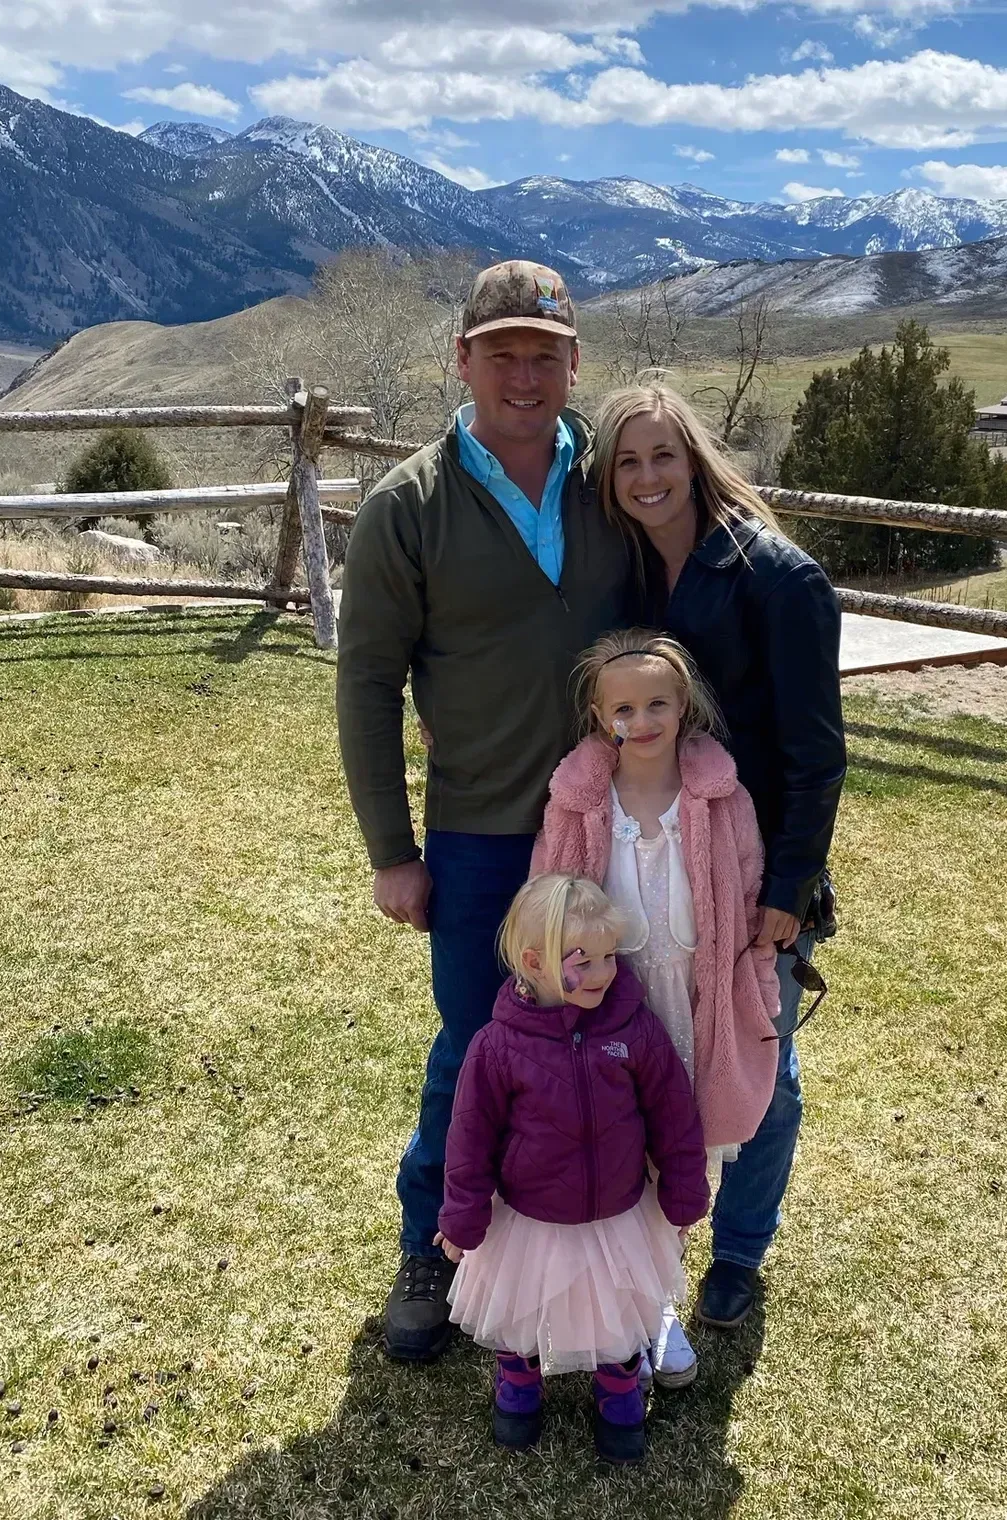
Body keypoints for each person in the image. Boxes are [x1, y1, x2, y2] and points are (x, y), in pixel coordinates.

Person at [336, 262, 632, 1362]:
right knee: (478, 1044)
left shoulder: (614, 480)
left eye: (543, 353)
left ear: (573, 364)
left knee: (612, 1034)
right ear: (460, 360)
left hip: (610, 827)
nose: (523, 372)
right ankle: (431, 1242)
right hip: (479, 830)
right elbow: (367, 681)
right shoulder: (407, 506)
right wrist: (392, 851)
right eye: (499, 351)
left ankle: (594, 1253)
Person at [592, 380, 847, 1332]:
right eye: (627, 461)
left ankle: (739, 1251)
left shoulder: (776, 577)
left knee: (759, 1064)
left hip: (747, 869)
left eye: (662, 455)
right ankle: (645, 1229)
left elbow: (815, 754)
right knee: (654, 1040)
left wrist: (788, 887)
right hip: (649, 850)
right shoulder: (624, 575)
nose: (647, 476)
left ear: (694, 459)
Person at [530, 629, 780, 1387]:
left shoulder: (720, 800)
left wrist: (756, 994)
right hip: (613, 1014)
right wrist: (557, 992)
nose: (640, 722)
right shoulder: (577, 800)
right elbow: (547, 892)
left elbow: (745, 900)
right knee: (615, 1156)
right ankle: (614, 1310)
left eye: (657, 705)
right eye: (624, 708)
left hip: (695, 1009)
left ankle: (659, 1307)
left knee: (677, 1161)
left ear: (685, 707)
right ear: (598, 715)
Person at [436, 874, 709, 1463]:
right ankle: (520, 1378)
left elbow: (673, 1113)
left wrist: (684, 1194)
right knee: (523, 1310)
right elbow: (470, 1140)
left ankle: (616, 1389)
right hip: (528, 1217)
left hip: (619, 1214)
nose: (606, 973)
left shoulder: (633, 1029)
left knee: (617, 1308)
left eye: (611, 955)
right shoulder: (497, 1046)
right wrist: (462, 1222)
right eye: (585, 961)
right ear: (534, 962)